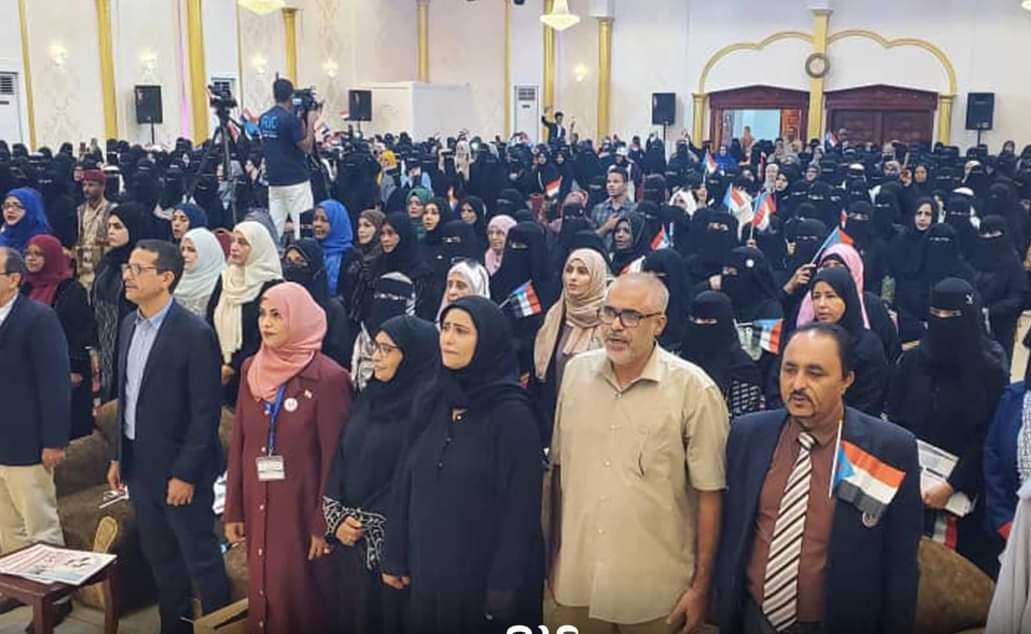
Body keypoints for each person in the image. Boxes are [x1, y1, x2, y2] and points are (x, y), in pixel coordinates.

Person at [549, 273, 729, 634]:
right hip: (576, 581)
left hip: (656, 593)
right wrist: (552, 559)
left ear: (659, 324)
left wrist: (701, 588)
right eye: (608, 312)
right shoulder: (575, 375)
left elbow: (710, 495)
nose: (615, 326)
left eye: (631, 316)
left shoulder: (694, 390)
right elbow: (558, 472)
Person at [716, 322, 922, 634]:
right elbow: (732, 532)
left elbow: (901, 565)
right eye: (789, 370)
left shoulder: (887, 449)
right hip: (752, 619)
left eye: (815, 373)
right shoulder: (748, 435)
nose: (797, 384)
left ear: (846, 380)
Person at [382, 296, 544, 633]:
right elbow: (405, 478)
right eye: (445, 328)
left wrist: (504, 585)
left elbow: (520, 510)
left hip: (479, 579)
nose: (448, 339)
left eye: (461, 331)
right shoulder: (432, 398)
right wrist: (394, 552)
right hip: (426, 570)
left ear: (486, 341)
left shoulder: (512, 416)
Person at [107, 240, 230, 634]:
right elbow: (125, 397)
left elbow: (205, 413)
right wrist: (118, 455)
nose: (128, 276)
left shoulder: (194, 333)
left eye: (139, 269)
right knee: (160, 558)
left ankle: (221, 626)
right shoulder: (129, 325)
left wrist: (186, 473)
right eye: (128, 267)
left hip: (179, 468)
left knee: (200, 558)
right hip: (138, 463)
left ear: (166, 278)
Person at [224, 282, 351, 633]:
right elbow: (240, 443)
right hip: (258, 503)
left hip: (301, 511)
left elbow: (336, 461)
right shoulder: (251, 368)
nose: (266, 323)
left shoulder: (328, 379)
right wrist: (234, 508)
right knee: (263, 591)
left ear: (299, 319)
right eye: (263, 314)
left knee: (299, 600)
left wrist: (323, 524)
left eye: (277, 315)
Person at [323, 315, 440, 634]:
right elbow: (342, 456)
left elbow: (409, 477)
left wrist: (365, 521)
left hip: (394, 550)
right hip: (349, 543)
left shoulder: (427, 410)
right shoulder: (369, 397)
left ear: (413, 355)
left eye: (388, 350)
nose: (376, 356)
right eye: (376, 347)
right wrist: (337, 517)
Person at [887, 277, 1008, 576]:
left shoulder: (989, 370)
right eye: (935, 314)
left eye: (951, 315)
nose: (942, 321)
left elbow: (988, 437)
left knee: (948, 579)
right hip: (910, 483)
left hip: (961, 498)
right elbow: (894, 419)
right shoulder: (912, 362)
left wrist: (953, 484)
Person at [0, 247, 72, 624]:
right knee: (7, 525)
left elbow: (55, 383)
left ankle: (56, 598)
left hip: (28, 440)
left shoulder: (38, 318)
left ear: (14, 279)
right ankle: (18, 588)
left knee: (39, 523)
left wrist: (54, 440)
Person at [23, 235, 96, 440]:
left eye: (38, 254)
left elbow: (82, 332)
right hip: (31, 369)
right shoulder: (25, 286)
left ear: (52, 257)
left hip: (63, 370)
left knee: (64, 431)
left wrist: (74, 368)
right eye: (28, 253)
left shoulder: (71, 290)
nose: (31, 258)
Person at [532, 248, 607, 446]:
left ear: (597, 277)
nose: (572, 277)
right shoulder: (555, 314)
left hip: (592, 421)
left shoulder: (607, 322)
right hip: (552, 417)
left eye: (582, 272)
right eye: (569, 270)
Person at [207, 221, 284, 404]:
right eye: (233, 241)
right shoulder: (226, 278)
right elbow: (210, 317)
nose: (234, 247)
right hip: (217, 368)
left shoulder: (273, 286)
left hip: (254, 372)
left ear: (258, 247)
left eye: (242, 243)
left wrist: (233, 367)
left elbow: (264, 334)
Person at [800, 267, 888, 417]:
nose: (821, 304)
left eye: (830, 296)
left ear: (847, 298)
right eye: (816, 297)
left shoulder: (867, 345)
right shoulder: (804, 340)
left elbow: (870, 400)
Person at [92, 203, 148, 401]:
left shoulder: (143, 266)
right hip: (103, 342)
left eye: (118, 227)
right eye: (109, 226)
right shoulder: (107, 262)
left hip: (130, 342)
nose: (111, 232)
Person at [683, 291, 764, 418]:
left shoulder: (742, 370)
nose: (699, 325)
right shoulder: (677, 359)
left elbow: (742, 419)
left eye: (708, 321)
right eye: (694, 320)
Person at [258, 78, 319, 242]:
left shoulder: (264, 118)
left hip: (274, 181)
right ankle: (303, 254)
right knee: (303, 227)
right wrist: (311, 123)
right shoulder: (290, 120)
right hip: (295, 180)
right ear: (291, 96)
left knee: (274, 229)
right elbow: (307, 147)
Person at [282, 238, 352, 369]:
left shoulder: (332, 310)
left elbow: (339, 356)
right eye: (288, 261)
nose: (292, 267)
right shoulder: (280, 304)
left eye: (300, 261)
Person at [350, 272, 416, 392]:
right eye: (381, 295)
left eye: (394, 298)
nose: (385, 300)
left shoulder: (414, 339)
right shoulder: (365, 331)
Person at [380, 212, 436, 320]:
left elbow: (424, 313)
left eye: (391, 233)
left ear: (404, 235)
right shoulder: (376, 267)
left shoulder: (422, 274)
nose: (385, 239)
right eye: (382, 234)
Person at [339, 209, 385, 327]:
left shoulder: (383, 258)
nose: (361, 230)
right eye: (359, 226)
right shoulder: (352, 255)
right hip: (349, 318)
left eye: (367, 226)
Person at [74, 169, 114, 289]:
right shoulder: (80, 210)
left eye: (91, 185)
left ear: (102, 187)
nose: (86, 189)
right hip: (82, 270)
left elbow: (112, 242)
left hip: (102, 268)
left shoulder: (112, 210)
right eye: (84, 185)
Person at [174, 228, 225, 318]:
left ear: (208, 253)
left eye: (191, 250)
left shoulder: (223, 284)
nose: (184, 254)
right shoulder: (175, 279)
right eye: (182, 249)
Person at [313, 199, 354, 298]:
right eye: (315, 219)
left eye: (324, 220)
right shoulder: (311, 251)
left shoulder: (351, 258)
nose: (317, 224)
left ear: (337, 223)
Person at [591, 168, 636, 247]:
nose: (611, 185)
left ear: (625, 185)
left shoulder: (634, 209)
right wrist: (606, 227)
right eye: (608, 182)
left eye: (616, 182)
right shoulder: (598, 209)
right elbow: (590, 238)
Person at [0, 187, 51, 253]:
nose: (10, 210)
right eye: (6, 206)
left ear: (31, 210)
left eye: (18, 206)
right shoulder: (3, 236)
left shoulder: (43, 242)